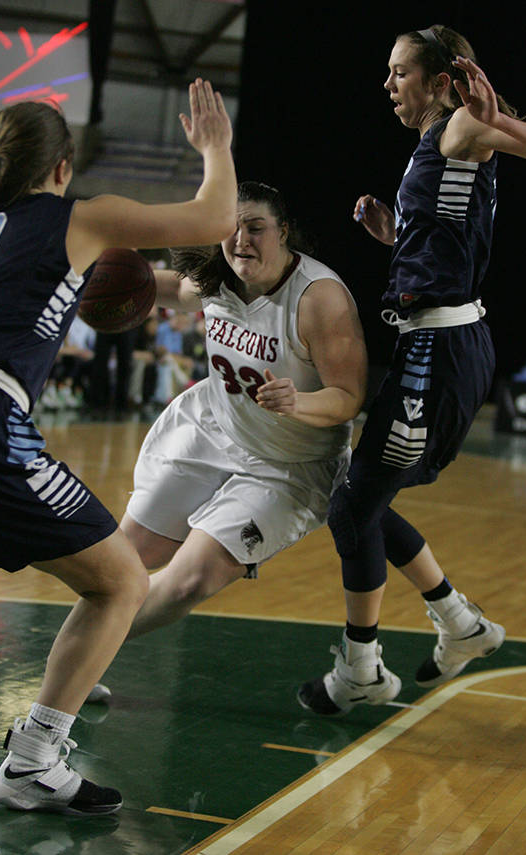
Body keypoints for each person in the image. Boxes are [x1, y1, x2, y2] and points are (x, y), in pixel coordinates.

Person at [0, 78, 236, 813]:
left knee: (104, 578)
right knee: (122, 582)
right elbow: (215, 217)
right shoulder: (81, 215)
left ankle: (51, 723)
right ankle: (33, 760)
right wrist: (216, 148)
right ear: (63, 168)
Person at [297, 24, 526, 716]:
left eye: (399, 72)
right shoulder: (438, 146)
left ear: (440, 79)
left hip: (441, 354)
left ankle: (365, 664)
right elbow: (452, 236)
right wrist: (395, 233)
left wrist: (495, 117)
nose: (387, 84)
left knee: (353, 505)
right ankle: (460, 622)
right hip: (436, 344)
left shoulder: (458, 129)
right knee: (364, 501)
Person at [87, 180, 366, 700]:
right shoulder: (218, 280)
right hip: (214, 429)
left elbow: (348, 396)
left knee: (189, 581)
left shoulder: (318, 298)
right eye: (232, 229)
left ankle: (83, 657)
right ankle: (78, 665)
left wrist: (299, 402)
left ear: (283, 232)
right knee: (122, 562)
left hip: (289, 464)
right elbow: (170, 289)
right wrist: (95, 280)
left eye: (256, 228)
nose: (241, 240)